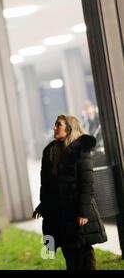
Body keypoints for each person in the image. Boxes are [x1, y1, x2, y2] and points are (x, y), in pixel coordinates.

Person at [33, 114, 107, 270]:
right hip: (61, 215)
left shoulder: (80, 150)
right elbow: (49, 186)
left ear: (69, 128)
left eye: (58, 124)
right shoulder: (51, 152)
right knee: (70, 256)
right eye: (55, 124)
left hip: (77, 213)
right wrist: (42, 206)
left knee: (84, 256)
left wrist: (83, 212)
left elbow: (86, 183)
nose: (54, 127)